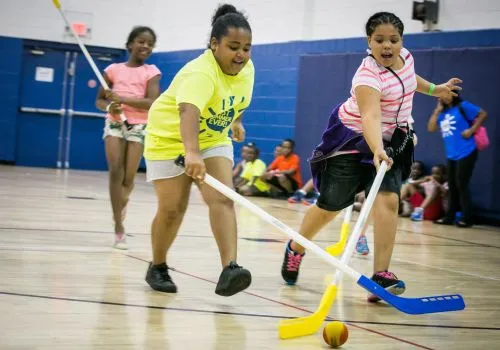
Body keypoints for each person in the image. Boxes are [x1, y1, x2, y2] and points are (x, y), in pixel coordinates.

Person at [279, 12, 461, 303]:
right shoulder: (366, 75)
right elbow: (370, 115)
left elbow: (409, 79)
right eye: (379, 40)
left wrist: (434, 89)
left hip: (393, 140)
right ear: (369, 42)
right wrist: (376, 148)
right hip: (353, 138)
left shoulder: (406, 58)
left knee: (389, 199)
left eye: (394, 40)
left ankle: (381, 275)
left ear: (402, 40)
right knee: (331, 204)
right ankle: (295, 248)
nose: (387, 46)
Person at [143, 4, 254, 296]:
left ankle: (230, 269)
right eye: (233, 47)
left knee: (222, 199)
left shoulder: (246, 68)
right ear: (214, 44)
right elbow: (188, 113)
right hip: (169, 139)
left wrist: (237, 121)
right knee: (172, 209)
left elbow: (236, 96)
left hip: (213, 137)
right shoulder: (200, 74)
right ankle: (157, 265)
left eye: (246, 48)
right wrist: (191, 153)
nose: (241, 55)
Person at [96, 26, 161, 250]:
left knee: (128, 178)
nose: (145, 46)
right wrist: (110, 106)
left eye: (150, 44)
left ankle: (120, 207)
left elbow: (152, 102)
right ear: (130, 44)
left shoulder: (151, 71)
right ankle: (118, 227)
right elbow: (99, 101)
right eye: (141, 41)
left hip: (138, 126)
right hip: (115, 123)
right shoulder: (112, 70)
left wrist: (122, 98)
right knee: (116, 171)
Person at [427, 94, 487, 227]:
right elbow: (431, 128)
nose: (441, 98)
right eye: (439, 96)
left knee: (461, 183)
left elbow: (483, 114)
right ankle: (449, 217)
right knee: (452, 185)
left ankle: (467, 217)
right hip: (451, 154)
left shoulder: (463, 106)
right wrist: (437, 111)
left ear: (453, 95)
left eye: (444, 94)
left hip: (467, 150)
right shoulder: (442, 113)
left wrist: (471, 130)